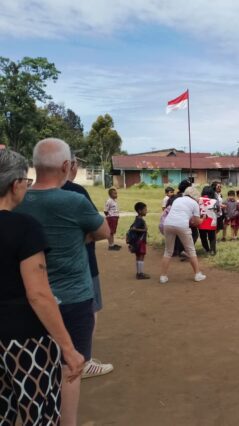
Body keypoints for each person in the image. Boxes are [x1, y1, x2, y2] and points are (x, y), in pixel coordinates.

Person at [14, 138, 111, 425]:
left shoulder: (18, 199)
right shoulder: (74, 200)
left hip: (28, 298)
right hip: (72, 299)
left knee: (35, 367)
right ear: (67, 166)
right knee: (70, 367)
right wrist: (81, 235)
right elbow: (104, 231)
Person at [0, 148, 85, 425]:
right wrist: (68, 348)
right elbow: (38, 294)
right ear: (16, 184)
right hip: (24, 340)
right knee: (39, 414)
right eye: (26, 181)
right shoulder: (24, 227)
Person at [61, 155, 114, 379]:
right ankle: (85, 361)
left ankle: (63, 357)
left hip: (49, 268)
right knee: (88, 311)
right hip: (83, 264)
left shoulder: (33, 193)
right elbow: (102, 230)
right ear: (68, 166)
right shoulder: (76, 191)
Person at [160, 186, 207, 284]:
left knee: (168, 251)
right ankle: (197, 274)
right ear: (195, 195)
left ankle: (163, 276)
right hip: (182, 225)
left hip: (167, 224)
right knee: (191, 250)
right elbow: (196, 222)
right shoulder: (194, 203)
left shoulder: (177, 199)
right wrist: (203, 219)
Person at [128, 202, 150, 279]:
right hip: (140, 241)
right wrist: (144, 230)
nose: (146, 211)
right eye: (145, 210)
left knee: (138, 256)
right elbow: (133, 228)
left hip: (137, 241)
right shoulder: (139, 220)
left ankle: (138, 273)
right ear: (140, 211)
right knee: (141, 256)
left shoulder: (138, 219)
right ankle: (140, 273)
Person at [198, 186, 217, 256]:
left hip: (201, 221)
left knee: (203, 237)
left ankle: (206, 249)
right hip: (212, 221)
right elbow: (217, 210)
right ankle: (212, 250)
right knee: (212, 237)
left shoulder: (198, 200)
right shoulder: (214, 201)